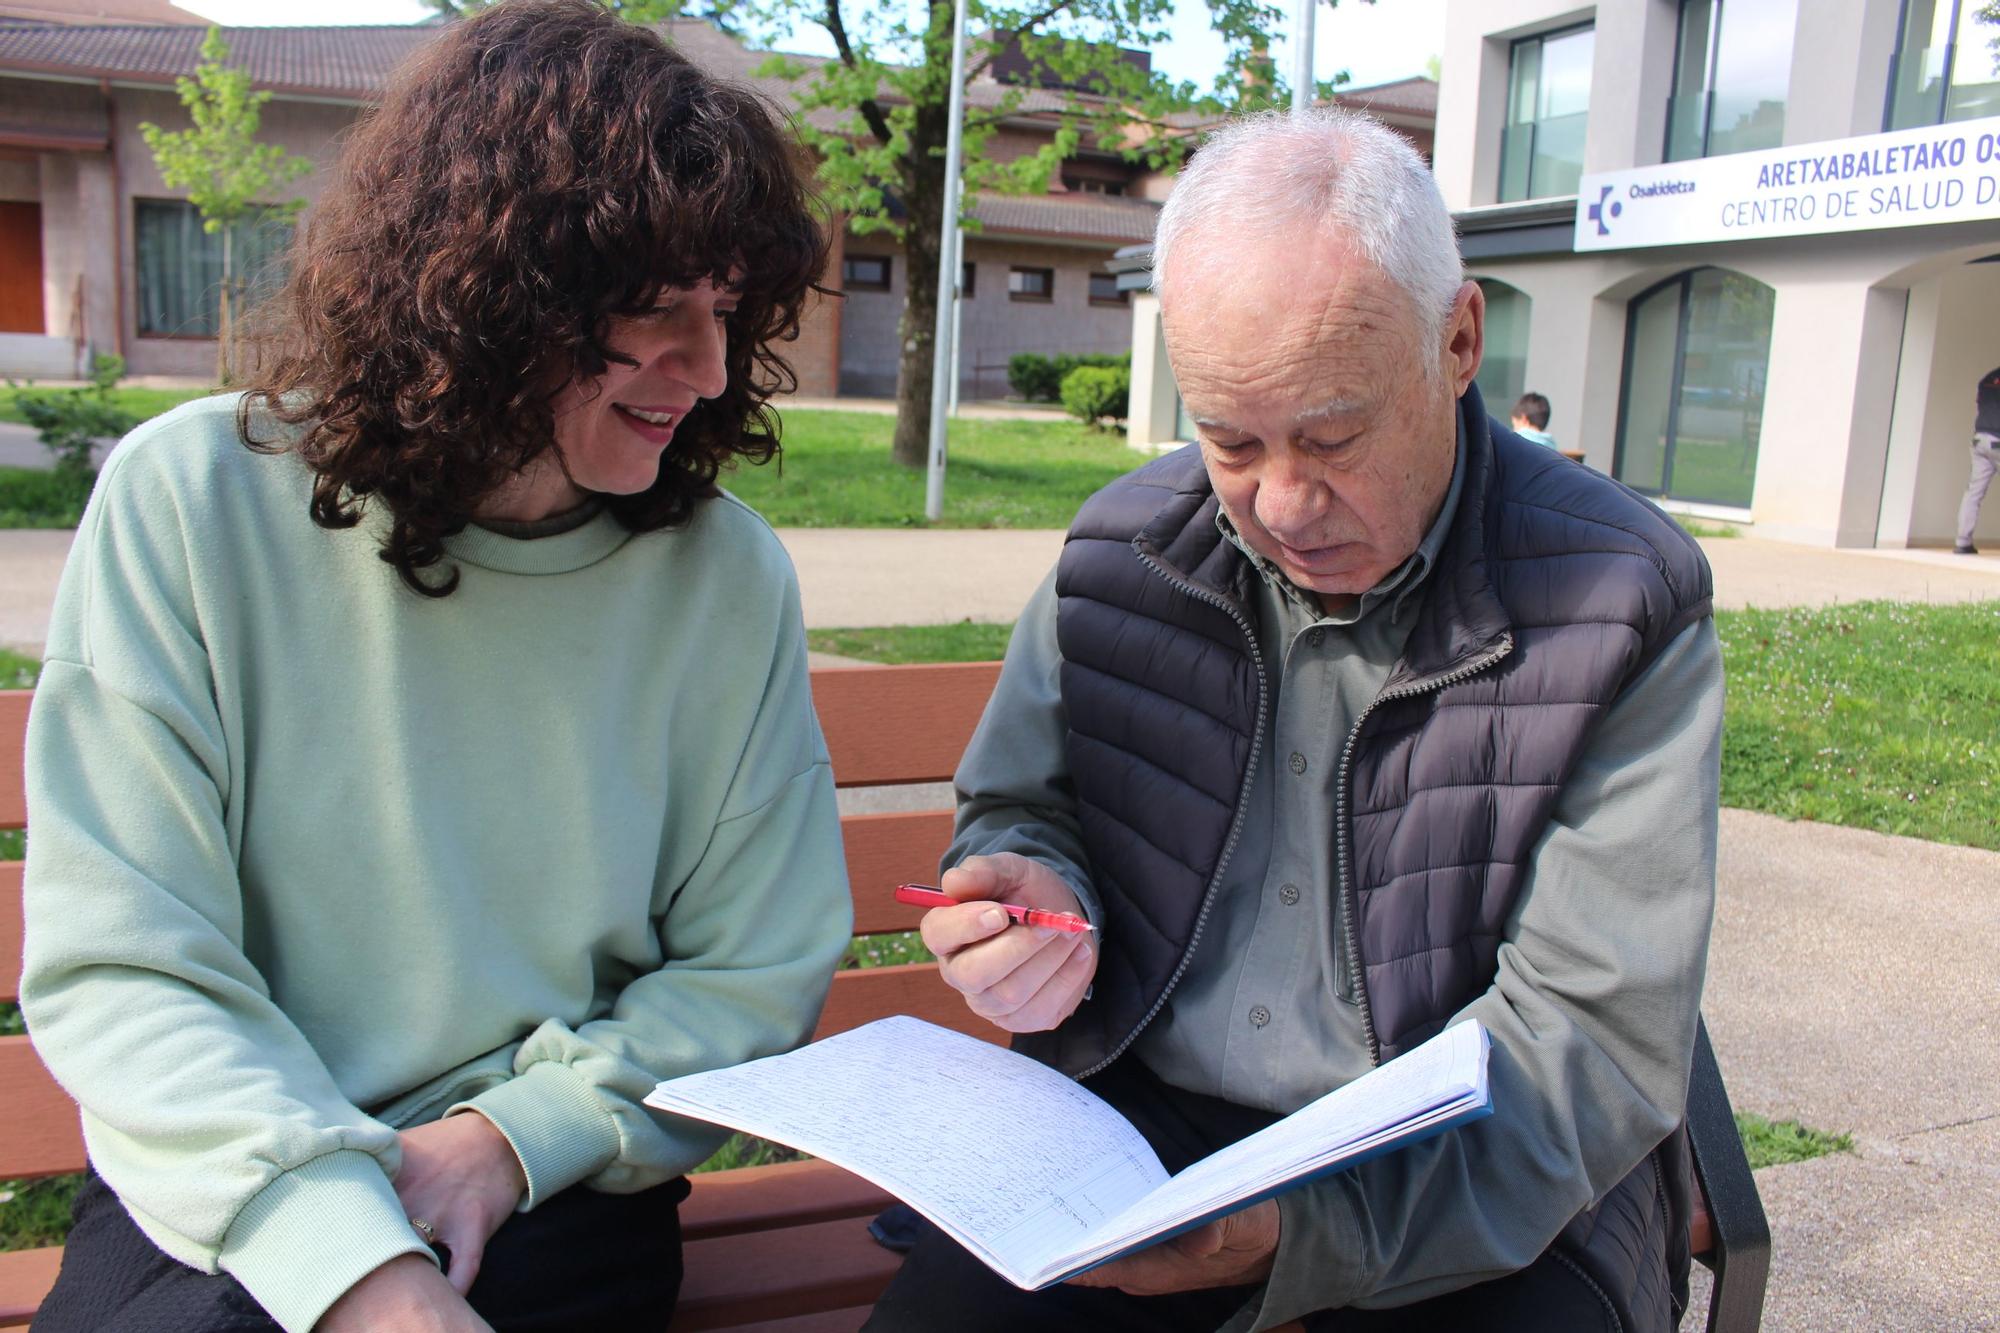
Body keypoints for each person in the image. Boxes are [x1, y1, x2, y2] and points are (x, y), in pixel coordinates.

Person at [18, 4, 850, 1331]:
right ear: (489, 299)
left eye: (728, 310)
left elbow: (750, 971)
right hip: (225, 1170)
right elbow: (131, 964)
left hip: (549, 1183)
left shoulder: (723, 579)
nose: (702, 369)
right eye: (648, 315)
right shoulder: (193, 502)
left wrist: (506, 1140)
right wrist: (355, 1261)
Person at [868, 108, 1721, 1333]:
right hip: (1139, 1129)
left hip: (1470, 1161)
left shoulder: (1619, 597)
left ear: (1459, 339)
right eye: (1227, 440)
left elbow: (1580, 1043)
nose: (1281, 501)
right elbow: (1022, 808)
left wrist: (1299, 1231)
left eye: (1333, 435)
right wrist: (1027, 894)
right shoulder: (1117, 556)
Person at [1953, 365, 2000, 554]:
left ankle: (1962, 543)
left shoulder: (1987, 378)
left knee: (1973, 493)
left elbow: (1981, 405)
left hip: (1980, 439)